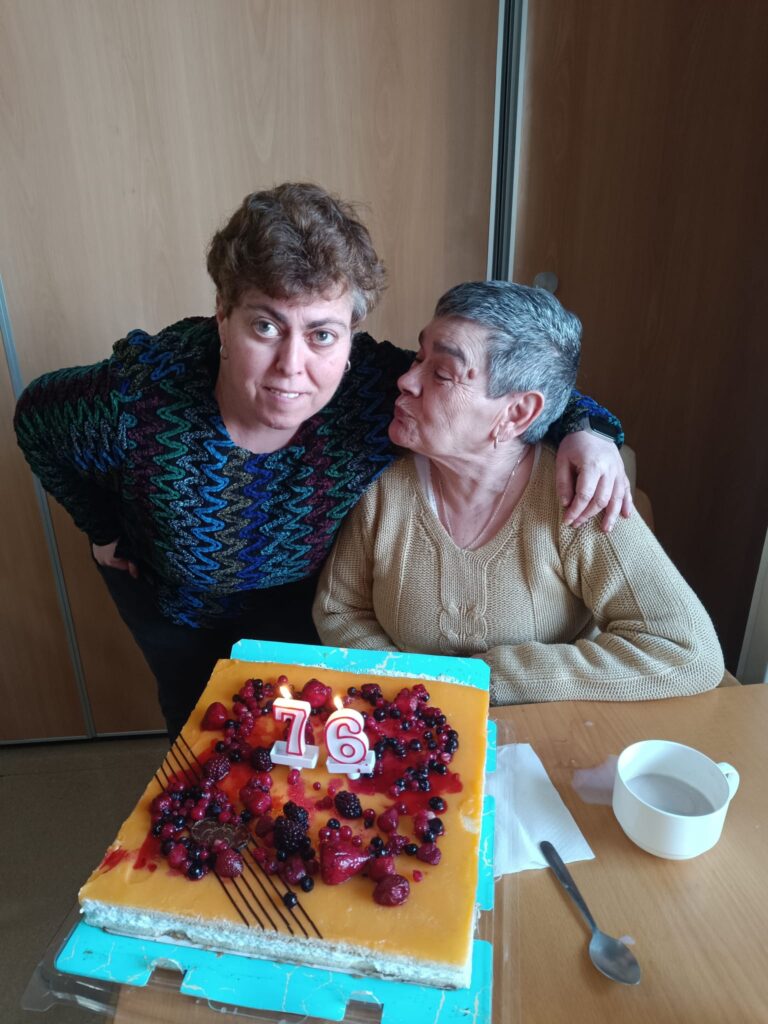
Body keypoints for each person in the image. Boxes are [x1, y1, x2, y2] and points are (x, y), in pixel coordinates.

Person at [15, 186, 630, 739]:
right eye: (265, 326)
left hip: (311, 603)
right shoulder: (135, 402)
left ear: (351, 335)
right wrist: (102, 526)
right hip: (181, 611)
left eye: (322, 335)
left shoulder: (375, 388)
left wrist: (590, 432)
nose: (293, 367)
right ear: (223, 316)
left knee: (304, 744)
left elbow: (510, 394)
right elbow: (35, 422)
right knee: (203, 731)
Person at [313, 280, 724, 701]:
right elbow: (340, 608)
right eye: (419, 357)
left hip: (543, 729)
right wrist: (406, 689)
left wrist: (484, 681)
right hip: (406, 722)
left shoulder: (577, 496)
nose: (406, 380)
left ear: (517, 413)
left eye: (441, 373)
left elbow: (687, 651)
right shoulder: (381, 482)